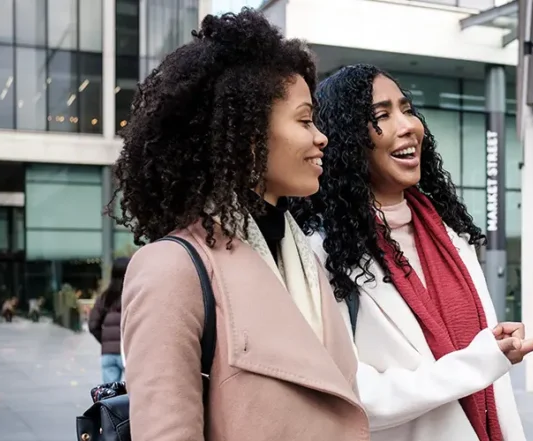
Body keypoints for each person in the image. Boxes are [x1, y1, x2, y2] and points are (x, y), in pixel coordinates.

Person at [110, 10, 367, 441]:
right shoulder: (171, 270)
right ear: (249, 135)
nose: (321, 137)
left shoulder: (302, 255)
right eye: (305, 120)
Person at [294, 64, 533, 441]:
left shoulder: (450, 236)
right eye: (382, 116)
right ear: (347, 139)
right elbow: (353, 393)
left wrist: (494, 351)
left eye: (407, 109)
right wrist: (480, 361)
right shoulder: (322, 250)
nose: (408, 126)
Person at [88, 257, 130, 384]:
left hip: (109, 354)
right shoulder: (132, 295)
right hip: (129, 353)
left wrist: (106, 341)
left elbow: (93, 325)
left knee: (110, 397)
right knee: (135, 395)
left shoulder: (104, 298)